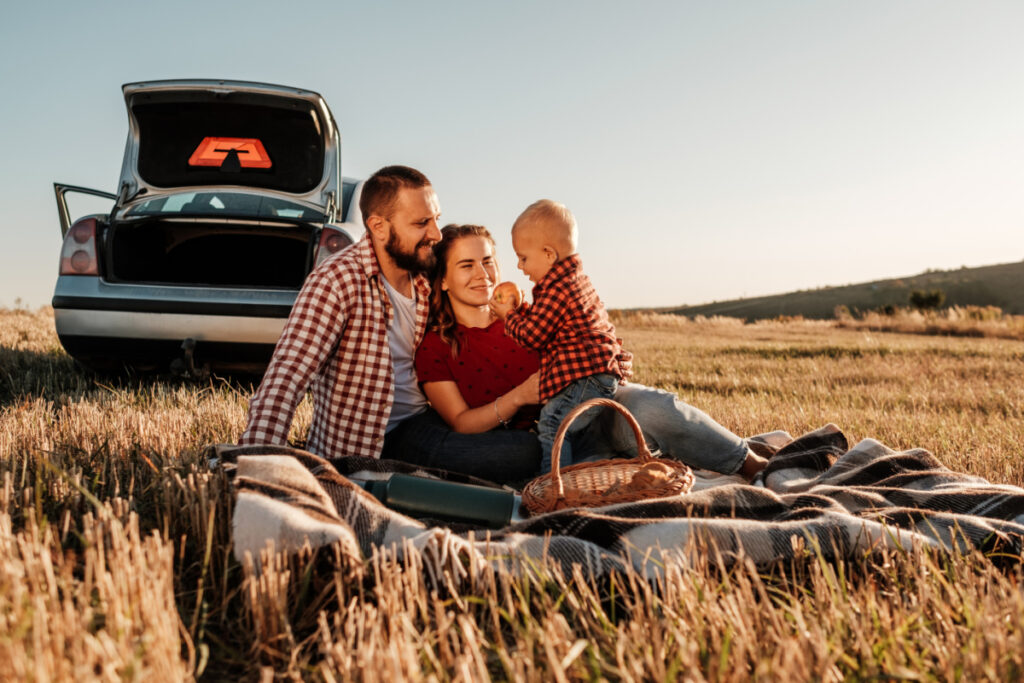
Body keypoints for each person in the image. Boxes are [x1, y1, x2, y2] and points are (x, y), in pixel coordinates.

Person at [239, 166, 540, 484]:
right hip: (370, 442)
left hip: (425, 419)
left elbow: (475, 299)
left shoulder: (424, 276)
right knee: (523, 452)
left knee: (526, 442)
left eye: (436, 218)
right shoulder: (337, 282)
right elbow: (284, 382)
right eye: (422, 223)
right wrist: (255, 472)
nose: (435, 234)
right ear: (378, 227)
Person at [416, 224, 769, 480]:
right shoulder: (437, 346)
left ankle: (750, 462)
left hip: (590, 415)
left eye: (488, 261)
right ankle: (577, 486)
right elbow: (461, 421)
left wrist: (609, 361)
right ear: (443, 280)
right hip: (540, 438)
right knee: (537, 452)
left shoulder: (527, 317)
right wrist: (520, 397)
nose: (484, 274)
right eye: (467, 265)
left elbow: (584, 340)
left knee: (654, 406)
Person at [488, 199, 632, 472]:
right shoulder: (574, 280)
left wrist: (509, 317)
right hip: (596, 375)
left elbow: (533, 337)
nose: (519, 266)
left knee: (553, 423)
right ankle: (580, 472)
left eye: (523, 257)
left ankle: (553, 485)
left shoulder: (556, 289)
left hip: (587, 379)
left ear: (548, 254)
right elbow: (551, 322)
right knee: (564, 424)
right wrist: (522, 310)